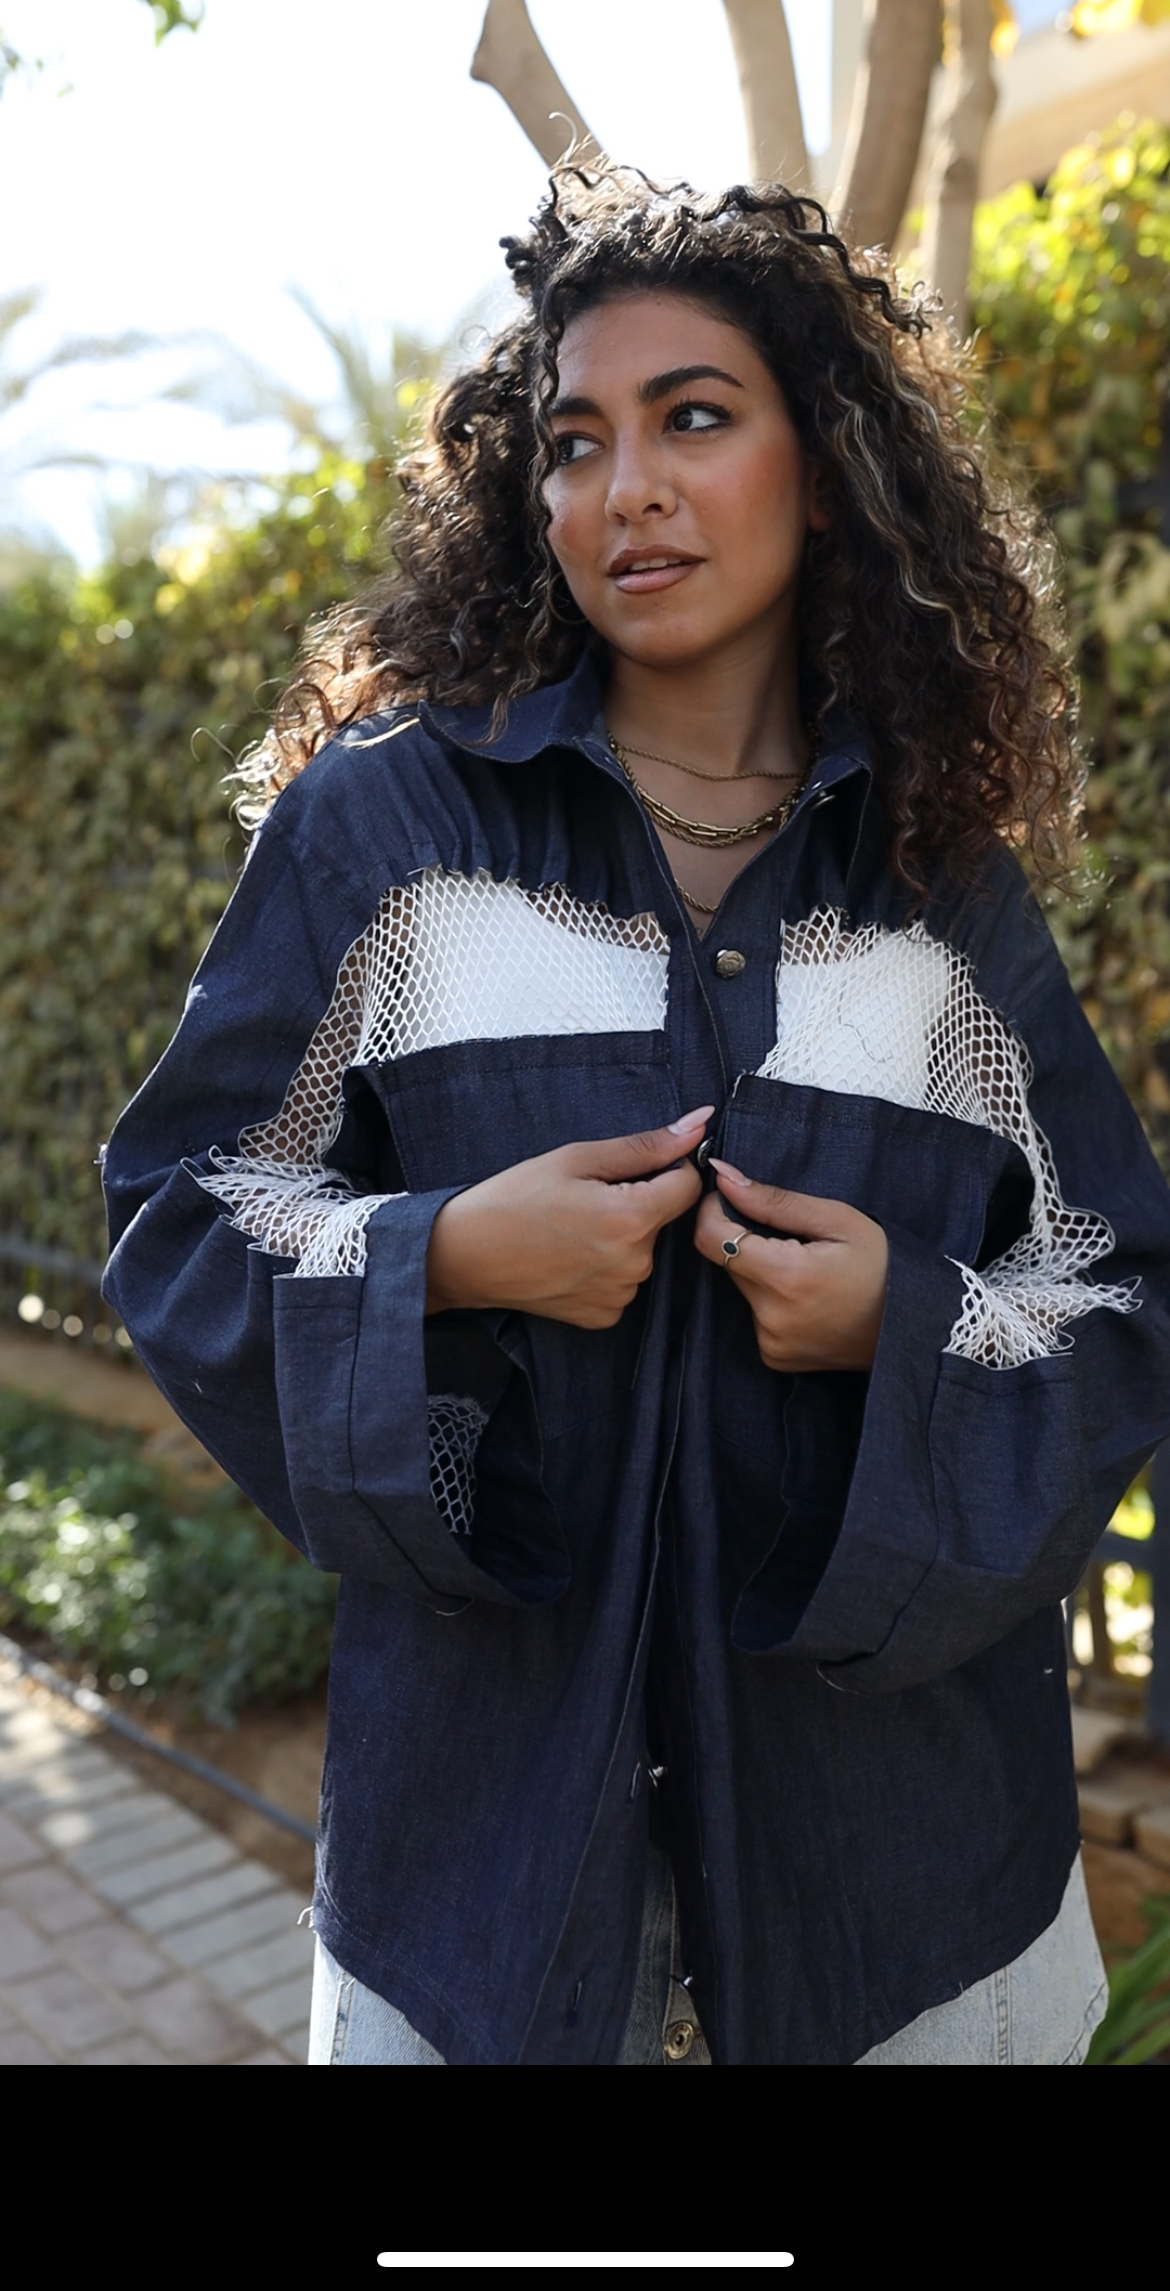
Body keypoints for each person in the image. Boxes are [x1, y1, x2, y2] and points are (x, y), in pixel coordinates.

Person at [101, 167, 1170, 2066]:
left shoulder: (937, 899)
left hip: (899, 1891)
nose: (625, 490)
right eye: (574, 443)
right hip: (483, 1869)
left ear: (821, 469)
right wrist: (441, 1258)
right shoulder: (390, 837)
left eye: (693, 419)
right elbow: (186, 1212)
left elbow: (1110, 1297)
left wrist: (900, 1319)